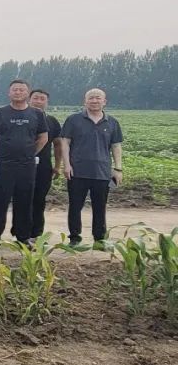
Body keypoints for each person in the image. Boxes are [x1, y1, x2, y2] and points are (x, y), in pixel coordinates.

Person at [0, 80, 49, 246]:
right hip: (5, 165)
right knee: (0, 201)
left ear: (27, 93)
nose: (18, 92)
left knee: (25, 201)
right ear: (9, 93)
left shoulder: (36, 114)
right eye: (15, 89)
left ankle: (23, 238)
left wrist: (31, 153)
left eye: (22, 90)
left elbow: (43, 137)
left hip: (27, 166)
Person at [59, 88, 123, 249]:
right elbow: (65, 143)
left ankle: (99, 239)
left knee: (100, 207)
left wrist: (118, 169)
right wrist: (66, 165)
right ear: (85, 101)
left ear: (104, 101)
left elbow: (116, 146)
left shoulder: (112, 122)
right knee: (75, 206)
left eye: (98, 98)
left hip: (102, 171)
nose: (94, 101)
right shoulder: (73, 120)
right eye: (91, 98)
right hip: (77, 170)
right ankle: (74, 238)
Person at [27, 89, 64, 242]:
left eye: (42, 99)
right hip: (22, 166)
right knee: (22, 199)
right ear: (29, 100)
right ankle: (22, 234)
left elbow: (58, 144)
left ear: (47, 102)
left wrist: (57, 166)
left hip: (43, 167)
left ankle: (36, 234)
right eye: (35, 98)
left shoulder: (52, 121)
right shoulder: (21, 118)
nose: (38, 101)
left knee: (39, 200)